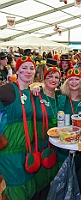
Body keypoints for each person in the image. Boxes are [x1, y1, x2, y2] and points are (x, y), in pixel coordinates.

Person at [0, 56, 37, 200]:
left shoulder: (30, 92)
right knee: (15, 191)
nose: (28, 71)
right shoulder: (8, 90)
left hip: (25, 151)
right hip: (9, 151)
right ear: (17, 71)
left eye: (31, 68)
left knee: (27, 188)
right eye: (24, 68)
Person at [31, 66, 61, 200]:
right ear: (44, 78)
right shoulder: (37, 94)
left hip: (53, 143)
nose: (53, 80)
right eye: (50, 77)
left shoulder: (60, 97)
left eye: (56, 77)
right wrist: (33, 88)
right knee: (38, 177)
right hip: (38, 141)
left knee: (49, 176)